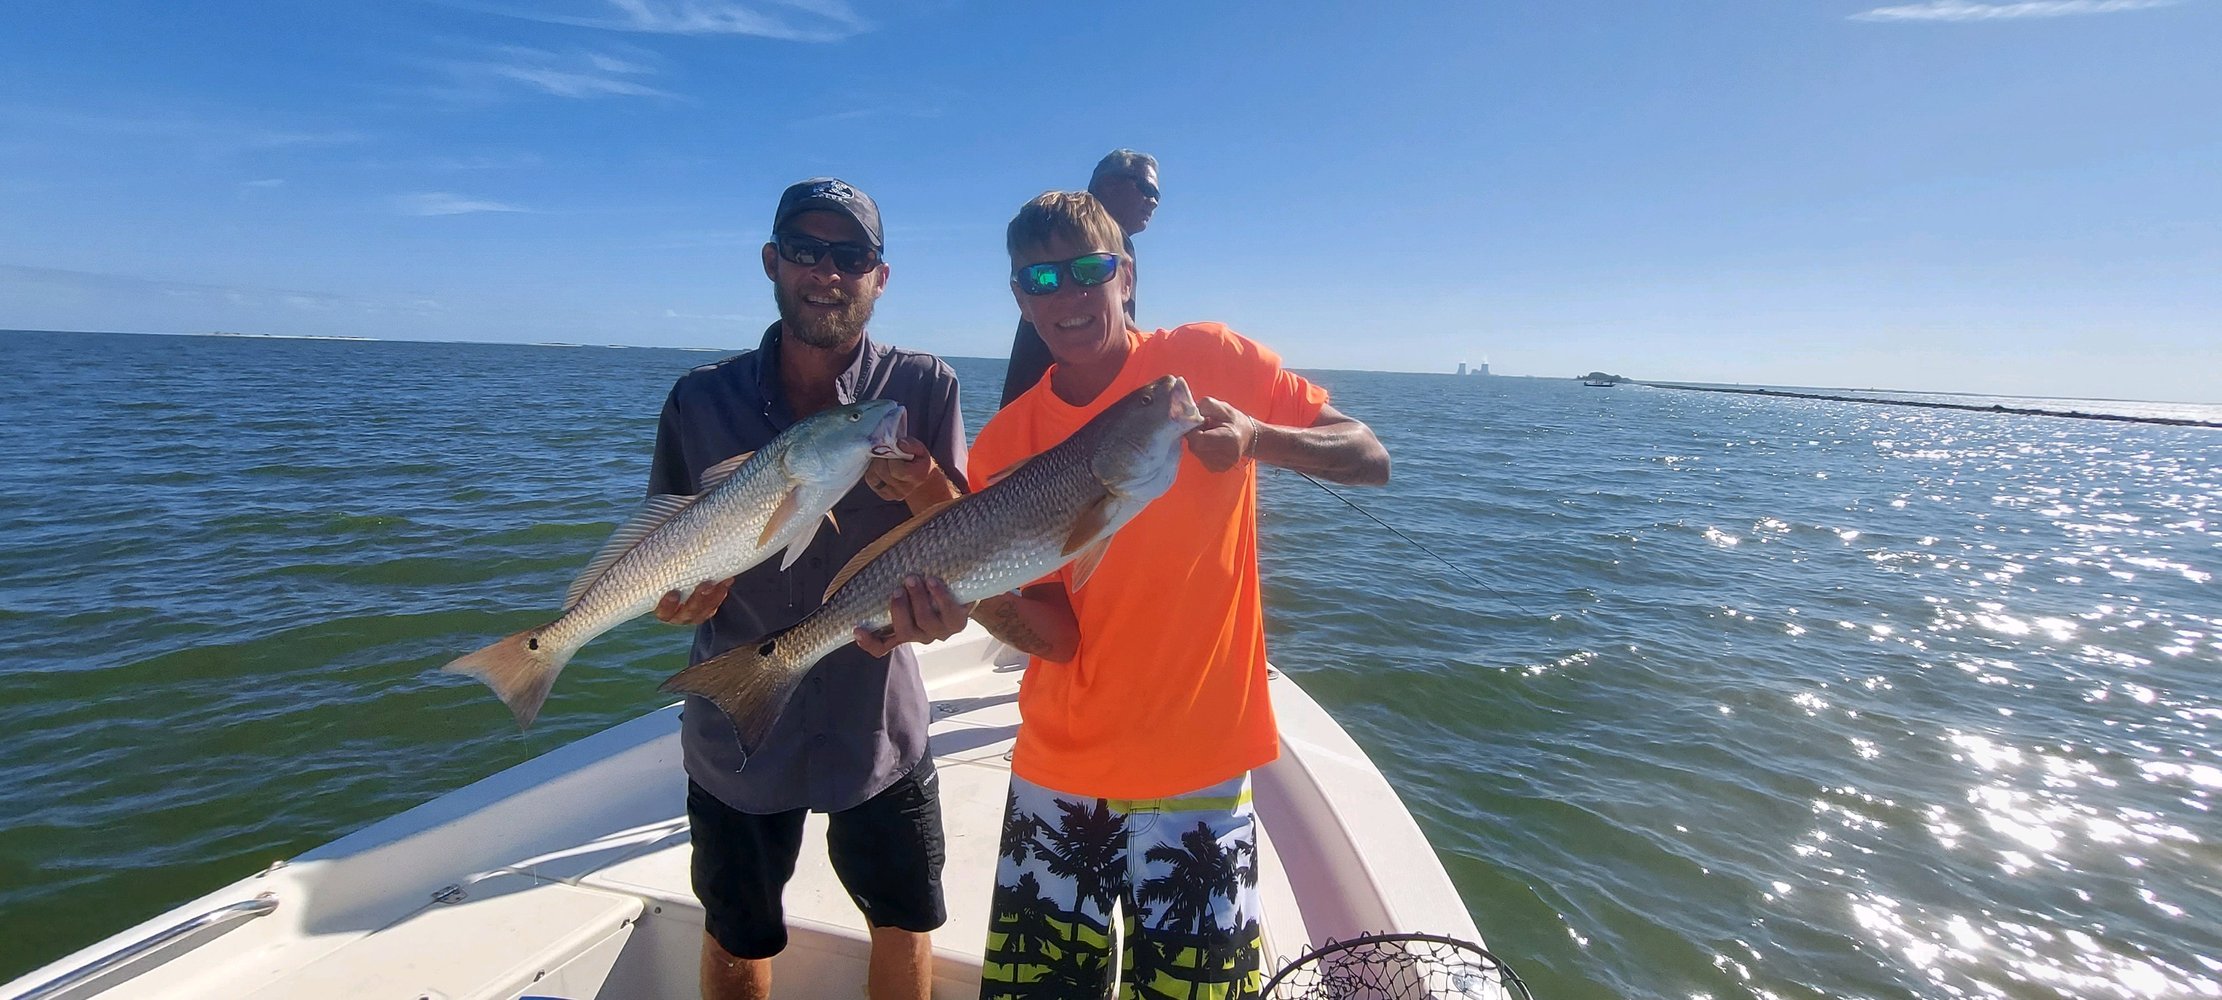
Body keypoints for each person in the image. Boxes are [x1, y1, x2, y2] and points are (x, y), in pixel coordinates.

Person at [966, 191, 1389, 998]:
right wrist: (962, 600)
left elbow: (1368, 454)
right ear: (1020, 298)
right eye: (1042, 278)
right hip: (1059, 776)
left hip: (1202, 772)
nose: (1068, 296)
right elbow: (1056, 634)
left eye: (1088, 270)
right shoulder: (1005, 444)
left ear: (1125, 273)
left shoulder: (1206, 361)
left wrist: (1261, 440)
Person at [648, 177, 976, 1000]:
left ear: (879, 276)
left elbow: (968, 538)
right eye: (805, 249)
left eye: (851, 254)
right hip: (737, 725)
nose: (826, 271)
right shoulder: (698, 400)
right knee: (737, 931)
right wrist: (676, 601)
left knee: (904, 921)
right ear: (772, 261)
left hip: (877, 724)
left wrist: (931, 504)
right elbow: (664, 557)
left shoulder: (922, 389)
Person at [998, 149, 1159, 408]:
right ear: (1109, 184)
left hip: (1033, 407)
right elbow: (1128, 335)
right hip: (1062, 413)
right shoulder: (1115, 245)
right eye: (1146, 188)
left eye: (1092, 270)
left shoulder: (1050, 236)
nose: (1152, 200)